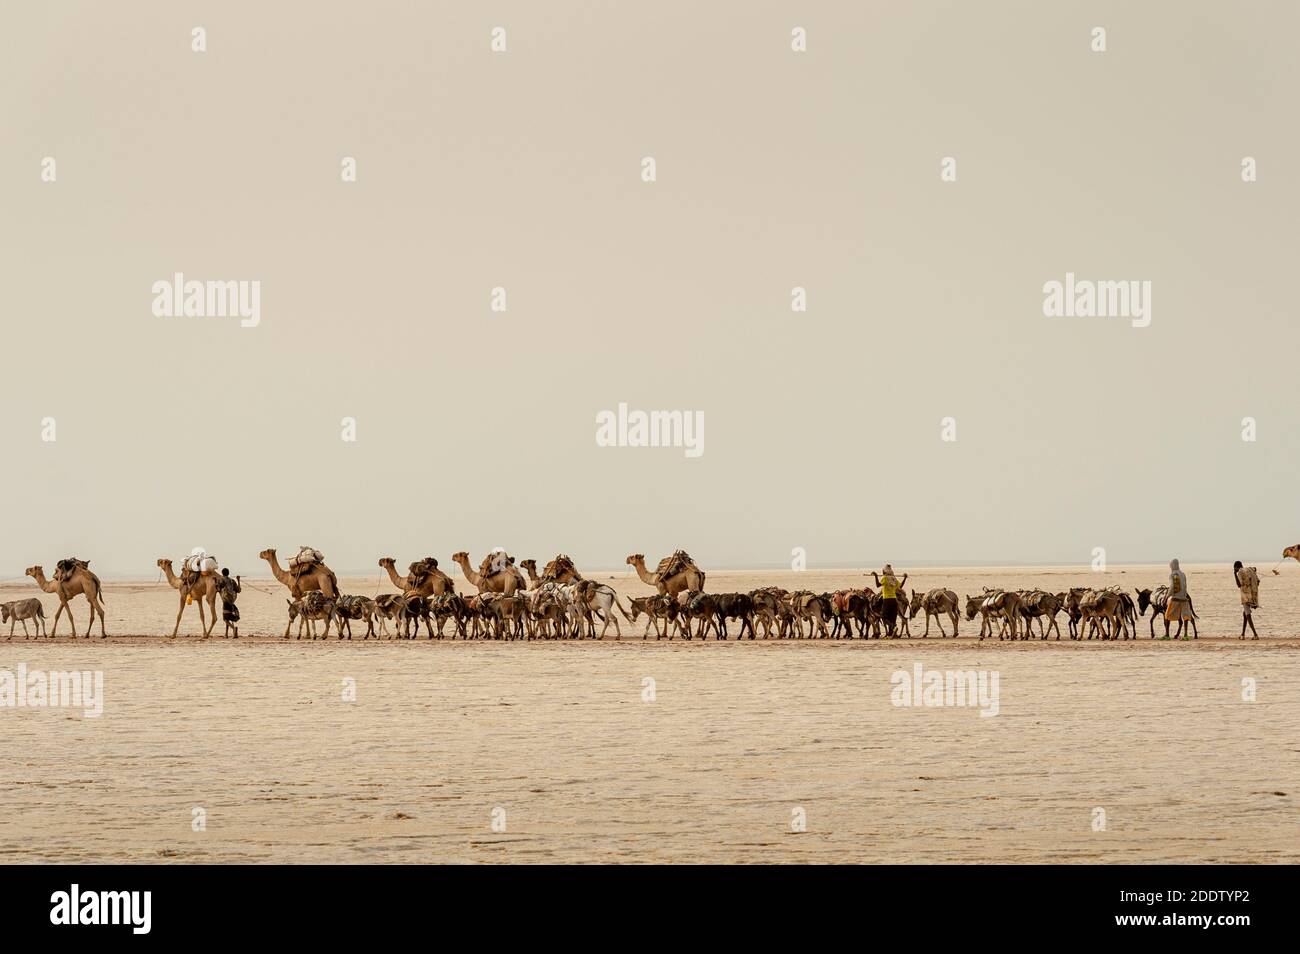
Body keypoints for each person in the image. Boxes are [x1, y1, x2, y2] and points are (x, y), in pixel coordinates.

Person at [870, 564, 908, 638]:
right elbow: (900, 586)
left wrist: (876, 576)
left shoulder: (884, 578)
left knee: (884, 617)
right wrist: (905, 578)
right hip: (894, 600)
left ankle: (893, 627)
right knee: (892, 617)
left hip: (886, 600)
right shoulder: (894, 578)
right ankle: (891, 634)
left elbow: (878, 585)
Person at [1165, 558, 1197, 639]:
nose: (1171, 567)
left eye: (1171, 565)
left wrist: (1167, 596)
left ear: (1174, 565)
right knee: (1186, 616)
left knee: (1167, 615)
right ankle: (1185, 634)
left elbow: (1172, 587)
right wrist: (1184, 594)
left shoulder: (1172, 575)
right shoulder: (1183, 574)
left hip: (1175, 598)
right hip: (1184, 597)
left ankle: (1167, 635)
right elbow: (1185, 585)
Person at [1233, 561, 1259, 640]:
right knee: (1245, 614)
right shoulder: (1249, 570)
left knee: (1248, 615)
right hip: (1252, 595)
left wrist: (1235, 574)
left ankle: (1255, 634)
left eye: (1234, 568)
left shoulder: (1240, 573)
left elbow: (1239, 584)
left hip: (1245, 597)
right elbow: (1258, 581)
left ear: (1236, 567)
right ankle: (1243, 634)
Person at [218, 567, 241, 638]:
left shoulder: (222, 580)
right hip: (232, 602)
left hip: (225, 602)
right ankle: (227, 634)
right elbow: (239, 590)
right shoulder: (232, 581)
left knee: (225, 619)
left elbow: (218, 588)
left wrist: (215, 581)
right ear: (228, 573)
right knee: (228, 617)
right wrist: (238, 580)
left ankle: (233, 629)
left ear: (222, 573)